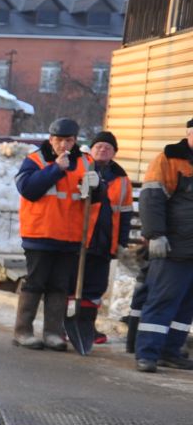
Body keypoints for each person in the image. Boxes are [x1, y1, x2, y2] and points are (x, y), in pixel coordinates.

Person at [12, 117, 89, 350]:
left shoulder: (85, 162)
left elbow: (96, 199)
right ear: (50, 139)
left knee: (59, 286)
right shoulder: (35, 160)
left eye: (68, 140)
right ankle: (23, 331)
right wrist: (56, 169)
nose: (63, 145)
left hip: (70, 236)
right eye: (59, 140)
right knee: (35, 283)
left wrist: (98, 187)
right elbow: (29, 190)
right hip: (40, 234)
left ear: (75, 141)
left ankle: (53, 333)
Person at [134, 117, 193, 373]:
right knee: (162, 301)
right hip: (173, 248)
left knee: (186, 305)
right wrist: (155, 234)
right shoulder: (169, 159)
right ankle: (147, 353)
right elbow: (151, 198)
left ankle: (171, 351)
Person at [80, 130, 134, 348]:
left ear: (114, 153)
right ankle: (65, 325)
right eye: (99, 146)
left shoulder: (121, 179)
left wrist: (121, 242)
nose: (103, 149)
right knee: (72, 285)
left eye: (108, 147)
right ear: (91, 150)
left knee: (95, 288)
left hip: (104, 243)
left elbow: (126, 212)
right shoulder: (81, 170)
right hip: (79, 241)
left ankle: (87, 328)